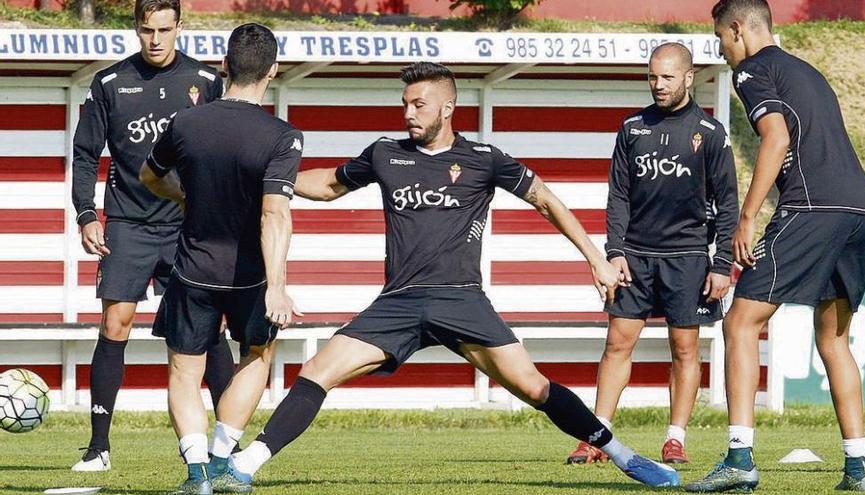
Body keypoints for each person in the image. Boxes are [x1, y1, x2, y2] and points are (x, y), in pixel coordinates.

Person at [215, 61, 681, 491]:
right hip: (398, 302)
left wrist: (596, 259)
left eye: (419, 104)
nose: (409, 113)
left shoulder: (484, 158)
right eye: (405, 105)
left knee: (535, 387)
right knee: (317, 371)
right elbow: (328, 185)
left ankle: (623, 456)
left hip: (461, 300)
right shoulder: (384, 154)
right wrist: (269, 175)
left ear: (448, 106)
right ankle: (245, 465)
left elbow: (547, 201)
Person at [686, 1, 865, 492]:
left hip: (813, 207)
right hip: (859, 209)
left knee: (740, 321)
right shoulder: (806, 71)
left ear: (737, 29)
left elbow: (775, 138)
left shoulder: (753, 70)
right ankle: (858, 467)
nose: (722, 51)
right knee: (833, 339)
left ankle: (739, 457)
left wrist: (746, 218)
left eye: (719, 39)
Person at [70, 0, 235, 472]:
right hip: (127, 224)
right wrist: (87, 214)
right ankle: (99, 447)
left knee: (209, 328)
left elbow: (223, 150)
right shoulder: (108, 82)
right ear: (136, 28)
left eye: (165, 29)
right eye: (147, 30)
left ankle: (226, 443)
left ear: (179, 27)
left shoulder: (207, 82)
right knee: (115, 324)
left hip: (189, 226)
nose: (156, 40)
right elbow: (85, 155)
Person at [140, 23, 302, 495]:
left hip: (192, 270)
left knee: (184, 372)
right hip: (251, 276)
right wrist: (277, 286)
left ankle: (196, 477)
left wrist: (184, 199)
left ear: (224, 65)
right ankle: (220, 461)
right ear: (274, 69)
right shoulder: (283, 136)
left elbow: (150, 175)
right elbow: (275, 213)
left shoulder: (186, 122)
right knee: (257, 357)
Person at [566, 43, 738, 467]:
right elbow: (618, 195)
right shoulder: (632, 128)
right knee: (617, 345)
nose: (658, 85)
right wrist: (614, 252)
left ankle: (675, 439)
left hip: (688, 258)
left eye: (667, 77)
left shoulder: (711, 133)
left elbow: (728, 204)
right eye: (652, 77)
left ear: (688, 77)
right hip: (635, 258)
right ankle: (597, 437)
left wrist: (720, 265)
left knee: (684, 349)